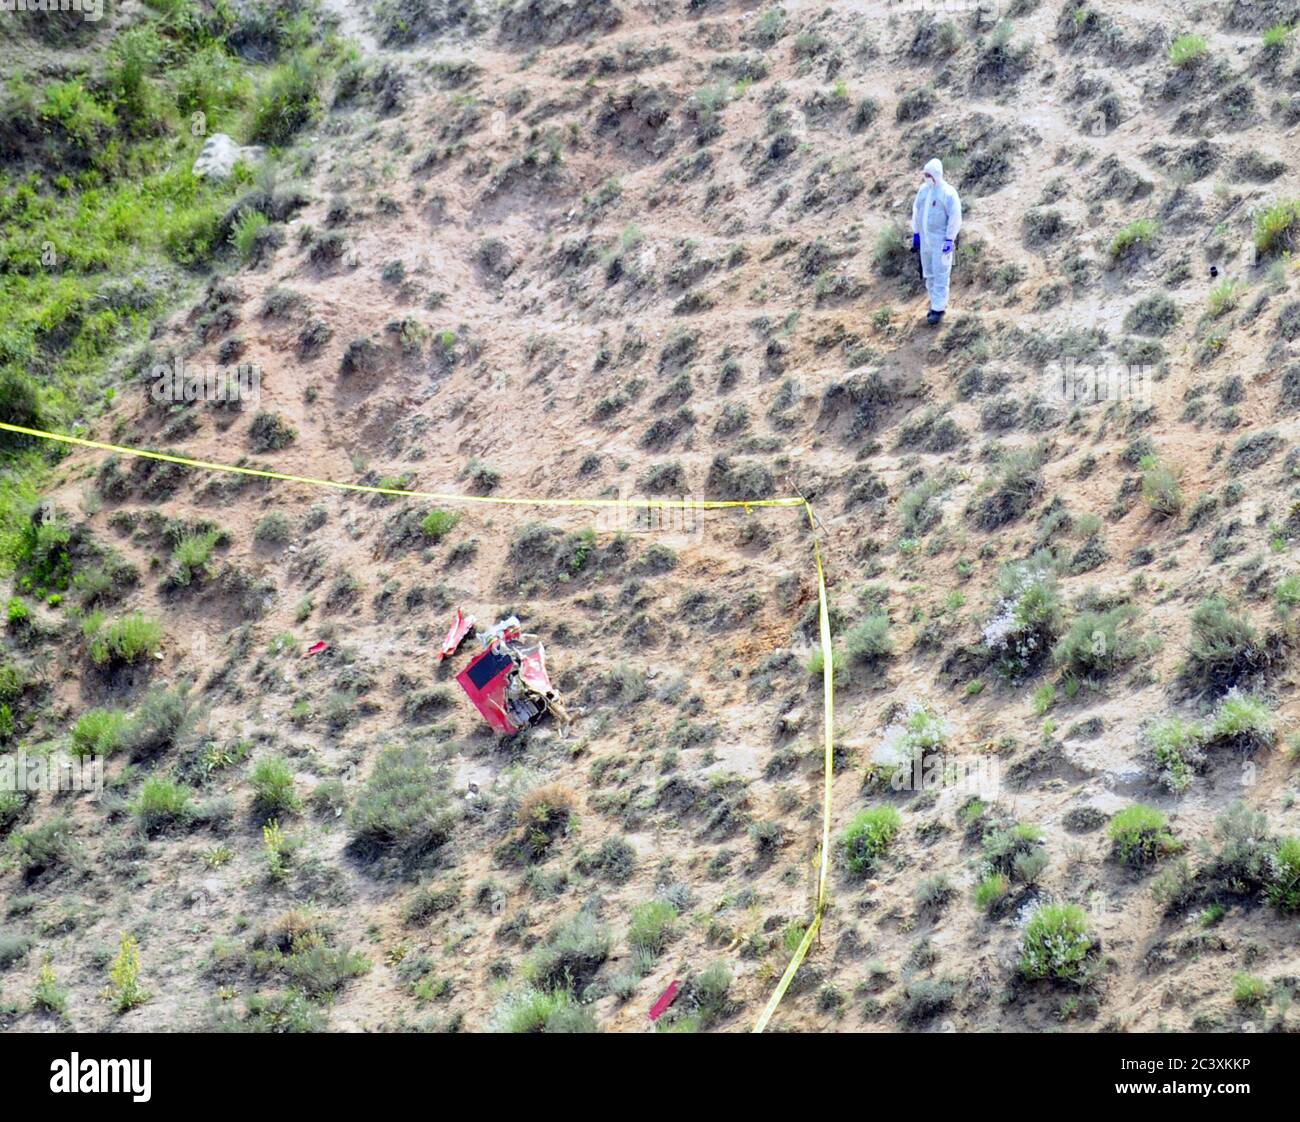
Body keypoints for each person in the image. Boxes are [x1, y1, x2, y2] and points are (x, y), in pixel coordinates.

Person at [910, 158, 963, 326]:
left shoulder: (948, 193)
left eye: (929, 174)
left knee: (941, 275)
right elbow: (916, 213)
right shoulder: (923, 191)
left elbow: (955, 217)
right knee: (929, 274)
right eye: (925, 174)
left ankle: (939, 309)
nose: (926, 177)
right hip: (926, 242)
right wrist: (916, 234)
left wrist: (950, 239)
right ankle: (934, 304)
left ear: (936, 175)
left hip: (942, 243)